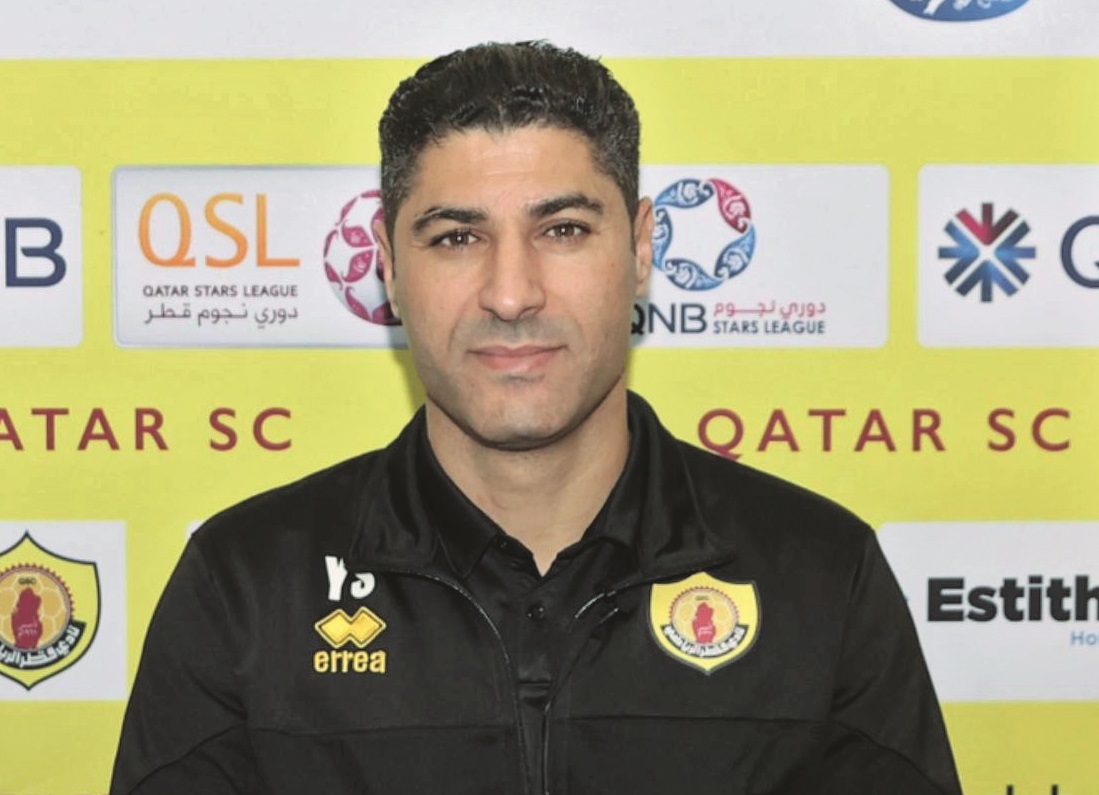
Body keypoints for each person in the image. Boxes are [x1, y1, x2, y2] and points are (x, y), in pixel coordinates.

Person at [110, 41, 962, 795]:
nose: (511, 294)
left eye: (562, 229)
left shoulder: (820, 574)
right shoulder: (245, 585)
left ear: (640, 249)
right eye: (456, 237)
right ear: (389, 268)